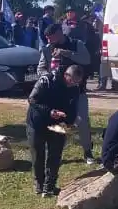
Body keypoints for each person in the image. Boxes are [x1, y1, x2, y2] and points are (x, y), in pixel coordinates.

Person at [38, 24, 95, 163]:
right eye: (46, 38)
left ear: (59, 33)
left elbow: (86, 60)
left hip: (77, 92)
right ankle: (56, 153)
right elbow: (40, 68)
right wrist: (49, 76)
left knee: (82, 121)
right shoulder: (46, 49)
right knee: (58, 122)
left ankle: (88, 152)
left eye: (50, 37)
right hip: (57, 94)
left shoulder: (76, 44)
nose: (49, 40)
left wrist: (66, 53)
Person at [27, 62, 86, 197]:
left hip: (58, 125)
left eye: (77, 82)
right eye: (72, 81)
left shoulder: (75, 88)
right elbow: (32, 100)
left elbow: (73, 107)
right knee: (38, 155)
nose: (74, 84)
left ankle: (49, 187)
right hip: (38, 122)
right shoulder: (46, 80)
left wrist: (71, 122)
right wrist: (50, 112)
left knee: (55, 155)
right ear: (66, 75)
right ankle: (39, 184)